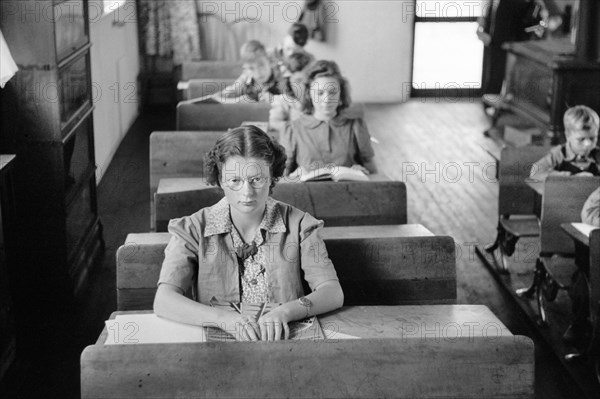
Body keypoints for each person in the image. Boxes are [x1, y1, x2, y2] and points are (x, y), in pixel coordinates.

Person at [154, 126, 344, 341]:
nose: (246, 192)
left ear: (272, 178)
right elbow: (164, 300)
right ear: (220, 180)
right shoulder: (192, 228)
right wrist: (223, 319)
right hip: (217, 344)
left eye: (257, 179)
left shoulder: (301, 225)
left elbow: (332, 292)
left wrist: (286, 311)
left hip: (284, 343)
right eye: (235, 181)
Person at [281, 60, 377, 177]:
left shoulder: (356, 126)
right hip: (305, 193)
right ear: (309, 94)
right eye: (320, 93)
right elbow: (281, 178)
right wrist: (293, 176)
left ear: (340, 95)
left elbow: (373, 173)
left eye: (332, 92)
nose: (327, 99)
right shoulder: (292, 129)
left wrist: (361, 172)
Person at [530, 105, 600, 181]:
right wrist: (570, 177)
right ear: (568, 135)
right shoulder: (558, 153)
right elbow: (535, 172)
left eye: (592, 138)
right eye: (581, 139)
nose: (588, 144)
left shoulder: (597, 154)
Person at [218, 40, 284, 103]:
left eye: (261, 65)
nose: (258, 72)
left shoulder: (280, 77)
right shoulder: (246, 78)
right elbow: (228, 93)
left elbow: (290, 99)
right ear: (246, 68)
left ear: (269, 61)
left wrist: (275, 99)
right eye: (251, 68)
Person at [269, 52, 312, 137]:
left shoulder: (318, 97)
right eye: (298, 80)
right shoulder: (283, 100)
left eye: (309, 80)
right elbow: (274, 123)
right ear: (289, 81)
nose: (304, 86)